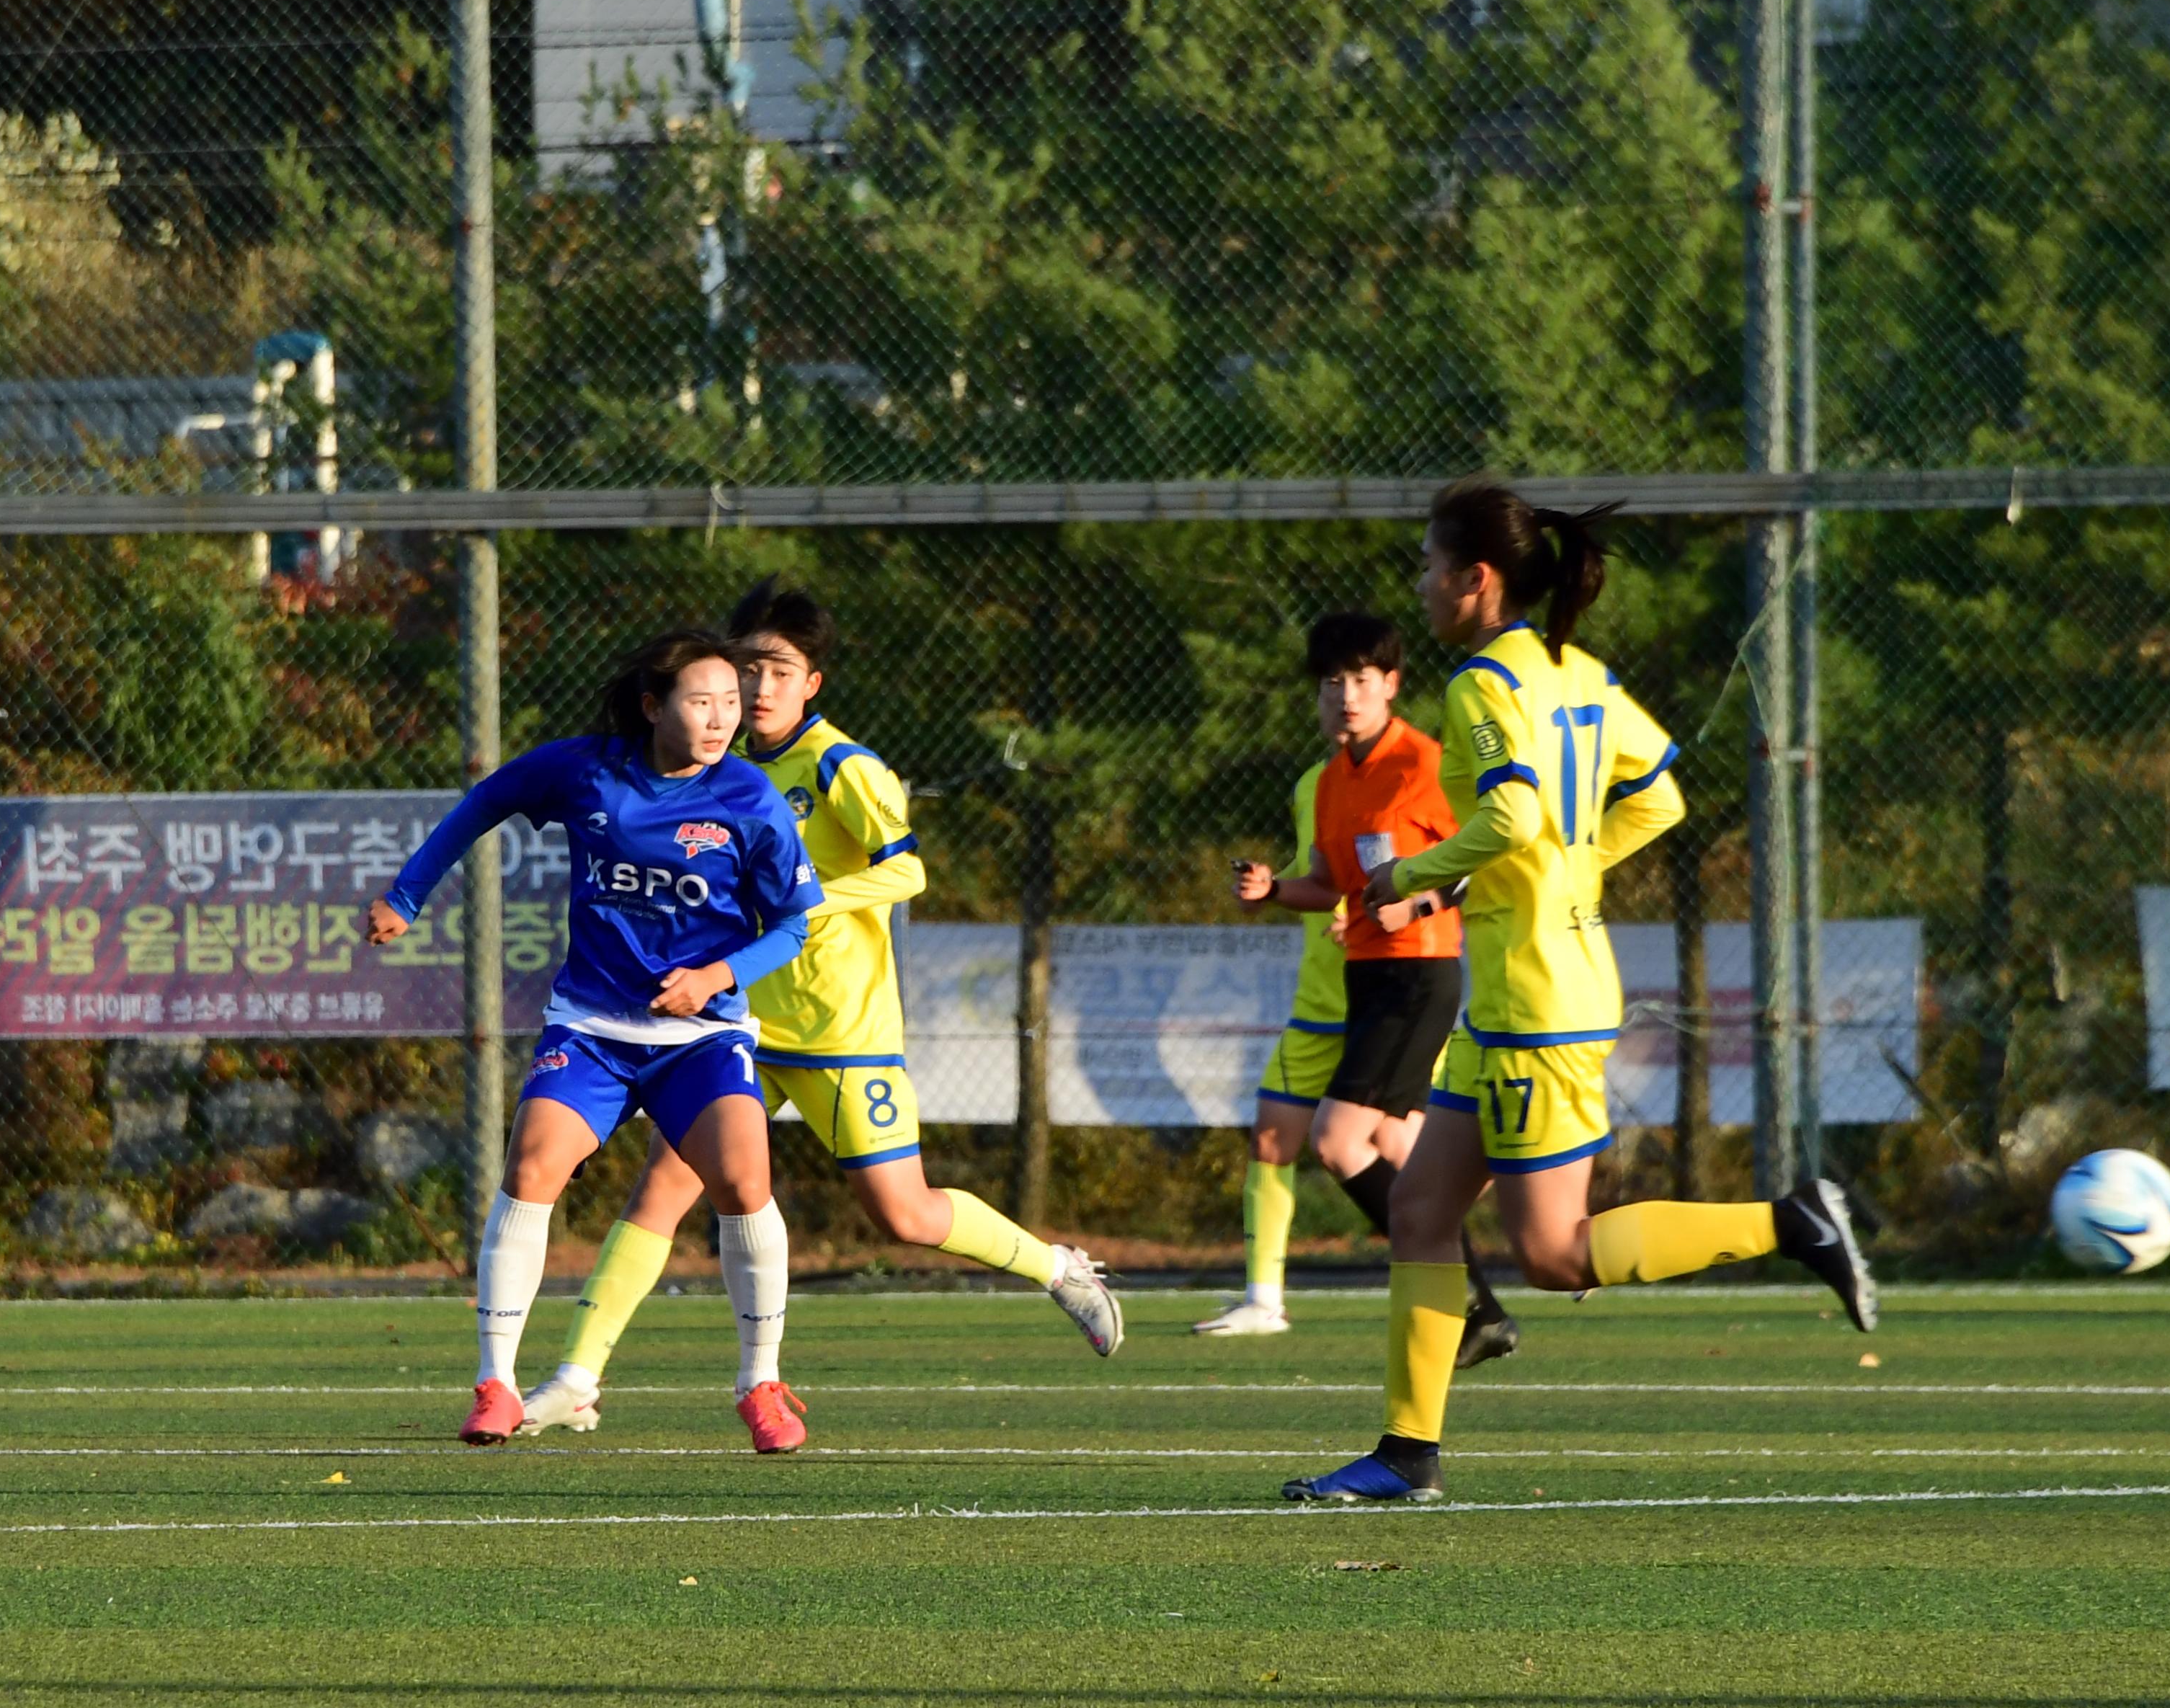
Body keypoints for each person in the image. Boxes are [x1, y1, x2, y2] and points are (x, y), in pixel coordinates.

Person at [1284, 484, 1871, 1506]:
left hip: (1536, 1000)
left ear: (1476, 580)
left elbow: (1509, 819)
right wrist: (1573, 865)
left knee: (1554, 1255)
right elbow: (1661, 792)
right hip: (1521, 993)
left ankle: (1793, 1222)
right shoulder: (1575, 669)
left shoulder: (1477, 685)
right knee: (1420, 1206)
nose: (1419, 584)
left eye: (1429, 565)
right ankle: (1405, 1456)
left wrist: (1412, 876)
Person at [511, 582, 1124, 1437]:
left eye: (779, 671)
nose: (758, 690)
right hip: (735, 1028)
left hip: (842, 1028)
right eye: (747, 669)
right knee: (663, 1187)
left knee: (903, 1214)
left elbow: (907, 872)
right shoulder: (717, 766)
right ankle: (576, 1375)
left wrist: (801, 902)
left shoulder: (844, 766)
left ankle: (1057, 1267)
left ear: (813, 683)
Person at [370, 627, 824, 1453]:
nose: (722, 717)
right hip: (593, 1029)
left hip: (699, 1036)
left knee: (744, 1177)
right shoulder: (587, 769)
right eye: (701, 700)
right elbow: (483, 803)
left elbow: (795, 924)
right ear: (654, 706)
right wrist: (407, 896)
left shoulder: (751, 798)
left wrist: (716, 976)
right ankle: (496, 1385)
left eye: (731, 702)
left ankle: (760, 1382)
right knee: (534, 1164)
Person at [1217, 613, 1518, 1362]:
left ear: (1391, 685)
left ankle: (1461, 1294)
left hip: (1419, 977)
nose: (1346, 696)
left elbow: (1484, 861)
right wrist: (1273, 890)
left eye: (1361, 680)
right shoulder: (1330, 784)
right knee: (1395, 1147)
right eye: (1332, 682)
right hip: (1370, 982)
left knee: (1336, 1138)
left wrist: (1417, 901)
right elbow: (1330, 886)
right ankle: (1482, 1307)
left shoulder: (1426, 764)